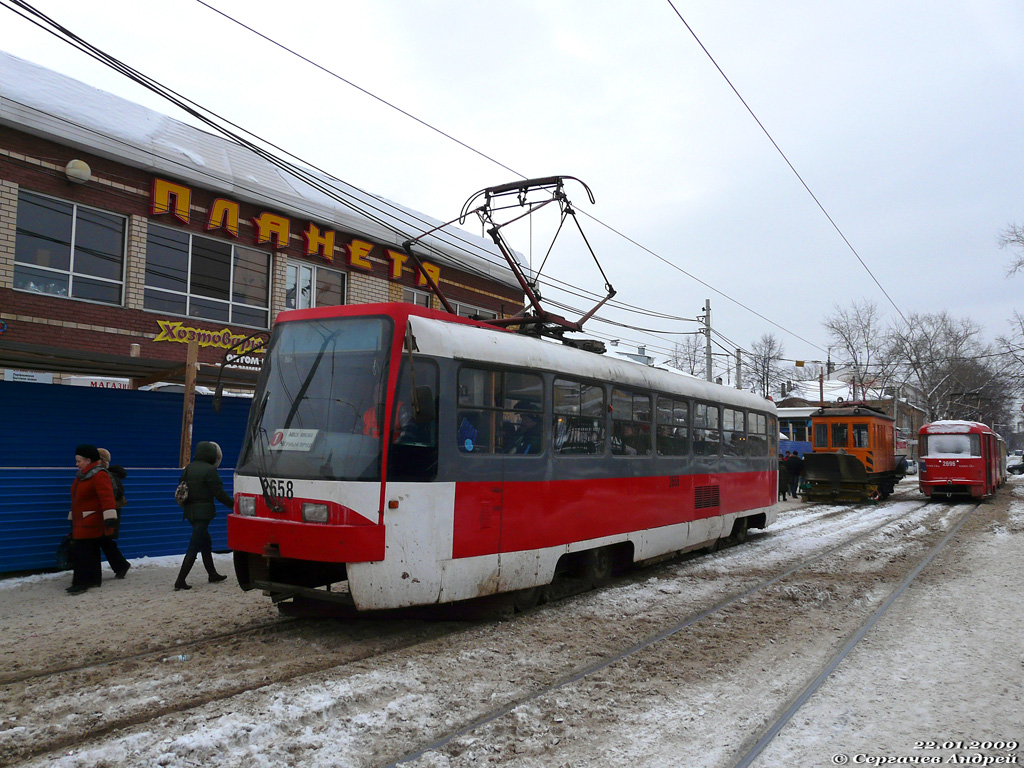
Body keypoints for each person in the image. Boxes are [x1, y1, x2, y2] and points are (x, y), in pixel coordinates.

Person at [174, 441, 233, 591]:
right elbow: (219, 493)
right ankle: (180, 580)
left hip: (189, 511)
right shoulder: (210, 470)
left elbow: (182, 486)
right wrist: (235, 506)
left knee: (205, 542)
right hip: (203, 512)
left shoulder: (189, 468)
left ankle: (212, 574)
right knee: (194, 545)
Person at [67, 444, 118, 595]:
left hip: (91, 521)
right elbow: (76, 498)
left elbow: (107, 497)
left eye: (79, 461)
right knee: (90, 551)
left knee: (82, 552)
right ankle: (93, 580)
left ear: (88, 460)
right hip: (82, 520)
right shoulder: (82, 475)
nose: (76, 464)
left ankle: (81, 583)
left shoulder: (99, 474)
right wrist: (72, 515)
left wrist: (110, 516)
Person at [96, 448, 131, 579]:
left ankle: (121, 565)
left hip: (109, 513)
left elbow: (118, 493)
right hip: (107, 513)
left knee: (105, 540)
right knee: (105, 541)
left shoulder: (110, 476)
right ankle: (121, 565)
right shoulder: (105, 474)